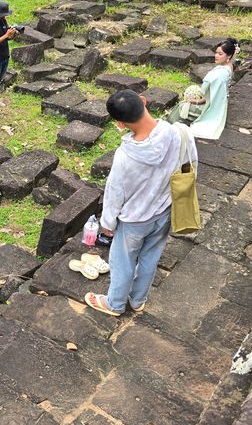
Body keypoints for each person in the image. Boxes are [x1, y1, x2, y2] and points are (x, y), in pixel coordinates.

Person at [85, 89, 197, 317]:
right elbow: (191, 165)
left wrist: (108, 223)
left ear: (120, 124)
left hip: (134, 220)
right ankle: (137, 300)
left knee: (122, 262)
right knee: (150, 257)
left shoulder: (126, 156)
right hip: (165, 210)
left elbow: (115, 194)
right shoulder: (181, 133)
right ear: (144, 102)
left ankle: (115, 303)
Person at [169, 37, 239, 140]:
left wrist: (196, 101)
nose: (216, 56)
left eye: (220, 54)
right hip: (214, 100)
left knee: (182, 107)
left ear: (228, 55)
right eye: (216, 53)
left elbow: (210, 97)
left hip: (209, 106)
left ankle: (169, 131)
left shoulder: (220, 75)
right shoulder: (228, 66)